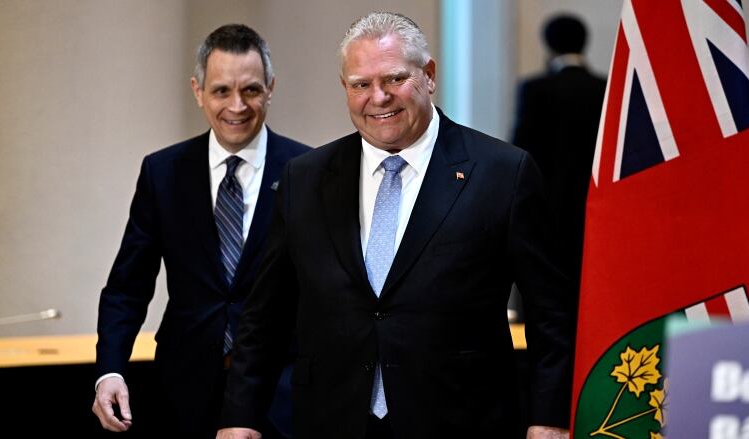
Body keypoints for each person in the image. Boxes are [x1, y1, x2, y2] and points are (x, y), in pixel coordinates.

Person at [217, 12, 575, 439]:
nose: (379, 97)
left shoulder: (502, 172)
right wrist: (239, 416)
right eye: (360, 85)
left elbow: (550, 313)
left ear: (429, 75)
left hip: (461, 420)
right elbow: (265, 315)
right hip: (331, 420)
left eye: (393, 79)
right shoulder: (305, 178)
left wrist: (549, 418)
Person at [92, 24, 309, 437]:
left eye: (250, 90)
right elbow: (127, 287)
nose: (237, 105)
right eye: (221, 90)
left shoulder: (307, 171)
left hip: (280, 397)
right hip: (183, 395)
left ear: (271, 88)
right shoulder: (163, 173)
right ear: (198, 91)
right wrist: (111, 371)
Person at [510, 14, 607, 291]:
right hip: (593, 208)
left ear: (548, 43)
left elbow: (520, 149)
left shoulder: (535, 89)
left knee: (545, 288)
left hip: (544, 207)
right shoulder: (604, 88)